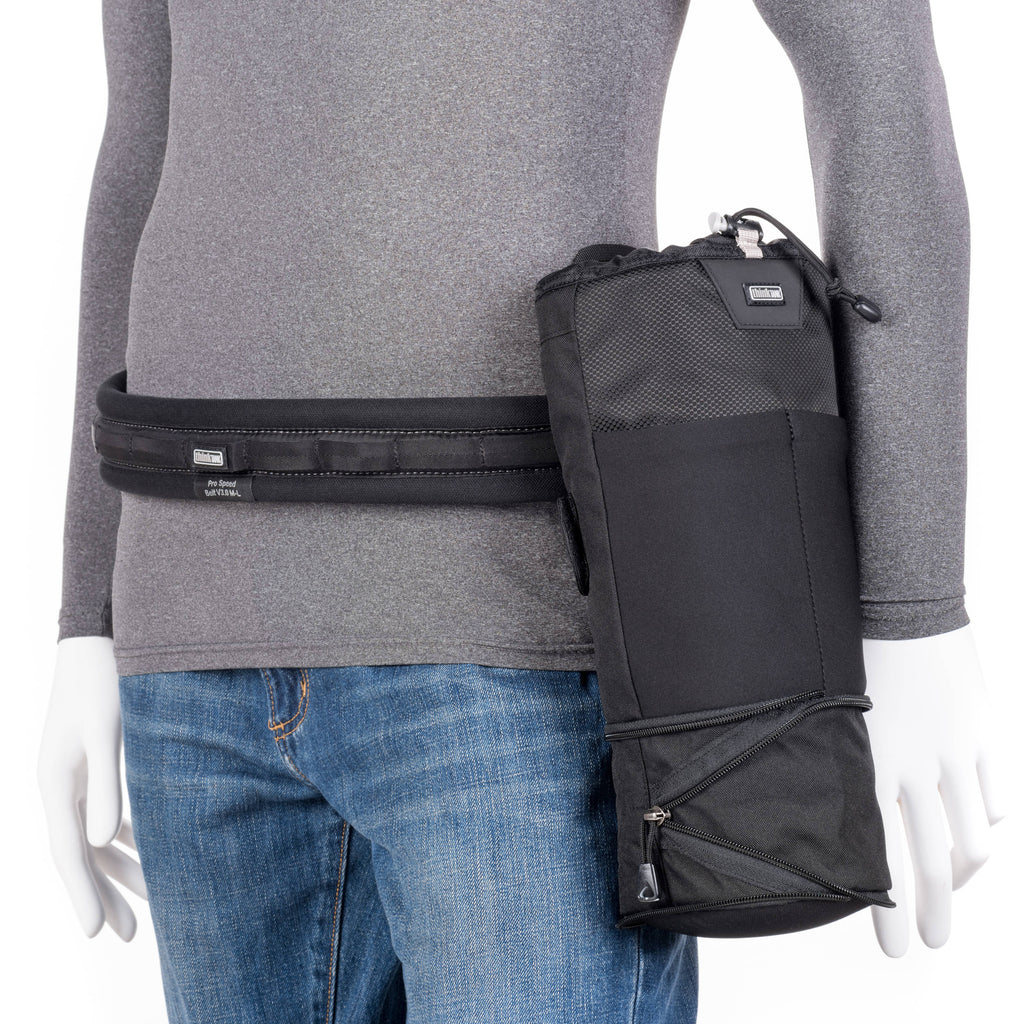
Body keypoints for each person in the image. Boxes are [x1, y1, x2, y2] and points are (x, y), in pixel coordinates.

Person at [37, 1, 1004, 1021]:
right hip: (190, 645)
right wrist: (89, 613)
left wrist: (910, 603)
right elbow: (140, 150)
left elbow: (876, 82)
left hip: (513, 645)